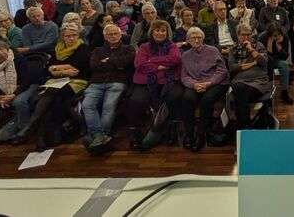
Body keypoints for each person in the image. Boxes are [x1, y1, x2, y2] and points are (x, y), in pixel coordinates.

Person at [17, 23, 91, 151]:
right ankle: (41, 137)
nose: (71, 38)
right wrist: (61, 70)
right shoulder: (58, 49)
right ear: (63, 37)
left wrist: (56, 69)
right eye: (68, 36)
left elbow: (76, 68)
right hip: (56, 82)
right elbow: (48, 69)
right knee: (49, 100)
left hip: (76, 82)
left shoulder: (83, 48)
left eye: (74, 35)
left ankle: (33, 130)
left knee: (49, 95)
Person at [127, 19, 183, 150]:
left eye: (163, 31)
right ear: (152, 32)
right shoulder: (144, 47)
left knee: (175, 96)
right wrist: (160, 66)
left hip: (168, 80)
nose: (160, 33)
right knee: (135, 101)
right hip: (145, 81)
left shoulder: (172, 46)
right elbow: (139, 64)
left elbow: (176, 59)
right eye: (157, 30)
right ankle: (136, 132)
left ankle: (171, 128)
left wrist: (151, 60)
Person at [81, 24, 134, 155]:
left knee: (109, 105)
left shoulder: (128, 49)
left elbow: (126, 62)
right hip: (96, 83)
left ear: (121, 34)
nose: (113, 36)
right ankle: (101, 136)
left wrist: (107, 61)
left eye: (116, 34)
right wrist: (116, 64)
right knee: (87, 105)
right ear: (105, 37)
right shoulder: (97, 50)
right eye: (110, 34)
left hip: (117, 82)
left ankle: (98, 137)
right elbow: (94, 66)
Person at [0, 40, 38, 149]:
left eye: (2, 49)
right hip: (1, 92)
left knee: (19, 102)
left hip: (24, 87)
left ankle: (22, 131)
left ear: (7, 49)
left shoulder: (19, 59)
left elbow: (27, 80)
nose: (0, 53)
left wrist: (14, 94)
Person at [180, 27, 229, 152]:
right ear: (188, 40)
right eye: (193, 38)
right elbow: (184, 76)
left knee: (207, 99)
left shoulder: (213, 50)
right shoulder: (185, 55)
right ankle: (189, 134)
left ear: (203, 39)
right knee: (187, 98)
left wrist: (209, 83)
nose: (196, 40)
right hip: (195, 84)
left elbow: (222, 71)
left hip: (215, 83)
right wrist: (195, 85)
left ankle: (201, 134)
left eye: (199, 38)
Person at [228, 23, 272, 129]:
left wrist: (251, 49)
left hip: (258, 82)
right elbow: (232, 68)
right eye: (243, 35)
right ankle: (247, 124)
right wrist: (253, 63)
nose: (246, 37)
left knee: (240, 95)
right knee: (239, 88)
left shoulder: (258, 46)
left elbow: (263, 61)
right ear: (238, 36)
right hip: (240, 82)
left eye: (249, 34)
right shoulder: (233, 49)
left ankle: (243, 125)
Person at [258, 24, 294, 104]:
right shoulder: (262, 38)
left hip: (278, 59)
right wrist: (270, 43)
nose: (277, 37)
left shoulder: (284, 37)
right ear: (270, 35)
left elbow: (285, 57)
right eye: (275, 36)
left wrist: (278, 45)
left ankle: (284, 92)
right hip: (265, 61)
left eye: (279, 34)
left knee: (284, 65)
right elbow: (266, 58)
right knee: (268, 65)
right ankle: (267, 91)